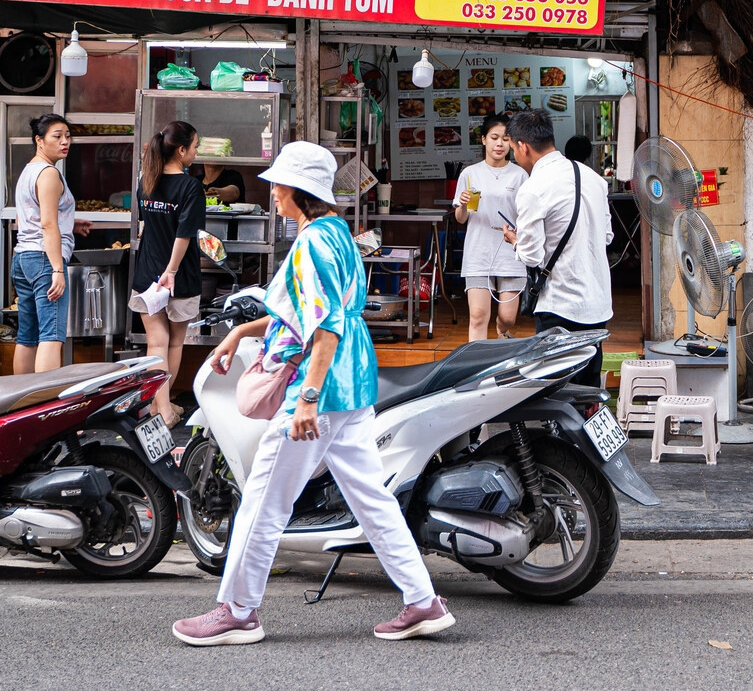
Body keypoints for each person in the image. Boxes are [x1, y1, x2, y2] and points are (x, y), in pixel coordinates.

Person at [173, 141, 453, 646]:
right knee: (372, 499)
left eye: (279, 184)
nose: (273, 192)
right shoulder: (336, 234)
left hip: (321, 391)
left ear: (299, 191)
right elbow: (316, 315)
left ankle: (237, 610)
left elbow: (324, 327)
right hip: (352, 384)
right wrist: (242, 332)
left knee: (263, 501)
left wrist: (307, 397)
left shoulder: (310, 244)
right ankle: (422, 601)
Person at [501, 110, 613, 385]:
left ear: (523, 147)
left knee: (560, 391)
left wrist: (515, 241)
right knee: (588, 388)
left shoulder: (533, 188)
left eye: (513, 148)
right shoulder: (594, 179)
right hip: (598, 303)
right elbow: (607, 236)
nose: (514, 155)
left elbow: (531, 255)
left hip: (560, 305)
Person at [131, 121, 206, 426]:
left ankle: (157, 408)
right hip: (179, 275)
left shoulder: (146, 181)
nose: (197, 152)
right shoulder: (190, 187)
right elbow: (184, 234)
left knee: (155, 344)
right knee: (174, 342)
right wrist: (171, 271)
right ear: (181, 149)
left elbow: (150, 225)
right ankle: (165, 409)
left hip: (147, 271)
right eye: (195, 146)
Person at [10, 114, 90, 374]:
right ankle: (44, 407)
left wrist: (71, 223)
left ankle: (20, 401)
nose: (65, 141)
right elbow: (47, 224)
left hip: (23, 257)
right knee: (51, 335)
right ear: (39, 140)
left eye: (67, 136)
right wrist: (57, 269)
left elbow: (31, 217)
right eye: (57, 136)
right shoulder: (49, 174)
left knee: (27, 335)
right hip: (44, 259)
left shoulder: (29, 170)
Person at [454, 114, 528, 343]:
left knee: (508, 317)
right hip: (478, 252)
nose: (499, 144)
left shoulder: (520, 175)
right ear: (484, 140)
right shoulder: (470, 174)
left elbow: (527, 214)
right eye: (494, 137)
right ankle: (474, 367)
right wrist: (464, 205)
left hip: (511, 253)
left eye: (505, 139)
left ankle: (501, 330)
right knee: (477, 316)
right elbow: (460, 219)